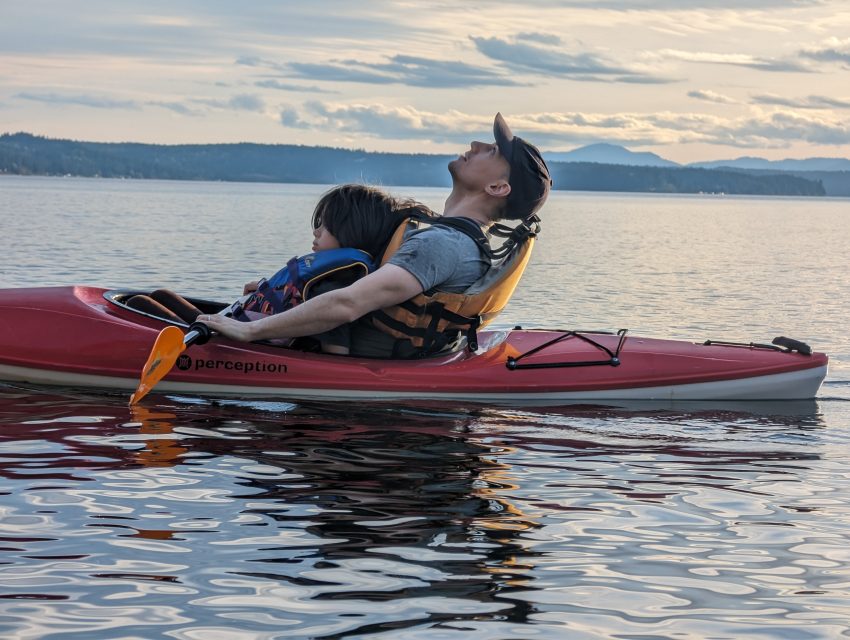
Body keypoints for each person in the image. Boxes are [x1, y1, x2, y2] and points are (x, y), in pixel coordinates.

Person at [202, 112, 552, 358]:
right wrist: (279, 296)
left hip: (350, 364)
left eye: (491, 151)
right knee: (155, 301)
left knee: (146, 306)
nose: (476, 144)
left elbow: (347, 303)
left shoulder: (442, 245)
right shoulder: (456, 240)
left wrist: (248, 332)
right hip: (350, 347)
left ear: (497, 186)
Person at [127, 184, 433, 354]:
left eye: (323, 227)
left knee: (140, 305)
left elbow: (335, 339)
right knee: (159, 294)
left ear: (350, 232)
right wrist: (266, 294)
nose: (315, 233)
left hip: (248, 346)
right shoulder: (333, 273)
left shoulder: (338, 283)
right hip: (245, 328)